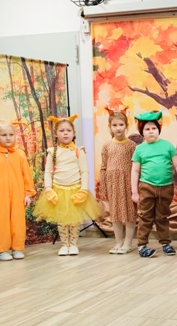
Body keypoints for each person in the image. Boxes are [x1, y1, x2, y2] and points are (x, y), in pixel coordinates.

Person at [34, 115, 99, 255]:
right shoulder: (52, 152)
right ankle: (65, 244)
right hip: (58, 191)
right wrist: (48, 188)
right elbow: (48, 172)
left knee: (74, 220)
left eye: (68, 130)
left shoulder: (79, 151)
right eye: (62, 130)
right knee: (62, 219)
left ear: (74, 133)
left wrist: (83, 189)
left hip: (76, 190)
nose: (65, 133)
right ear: (56, 134)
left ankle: (73, 244)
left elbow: (84, 171)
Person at [131, 110, 177, 258]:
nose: (151, 131)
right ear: (142, 132)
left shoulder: (167, 146)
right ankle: (142, 245)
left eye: (154, 128)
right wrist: (134, 192)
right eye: (147, 129)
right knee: (145, 216)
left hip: (166, 187)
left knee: (162, 216)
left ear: (159, 130)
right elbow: (135, 171)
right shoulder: (139, 149)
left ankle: (165, 243)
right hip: (146, 187)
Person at [99, 106, 137, 254]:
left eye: (121, 125)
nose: (118, 128)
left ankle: (128, 242)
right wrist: (104, 187)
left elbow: (136, 167)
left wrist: (136, 186)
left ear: (126, 126)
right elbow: (103, 167)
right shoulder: (107, 145)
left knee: (129, 213)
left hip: (127, 183)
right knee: (115, 214)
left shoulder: (131, 145)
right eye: (114, 125)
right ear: (110, 126)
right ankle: (118, 242)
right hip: (113, 184)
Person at [0, 120, 35, 261]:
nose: (8, 138)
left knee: (18, 221)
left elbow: (26, 175)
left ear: (15, 135)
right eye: (3, 135)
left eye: (11, 134)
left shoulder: (19, 155)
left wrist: (28, 193)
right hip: (1, 195)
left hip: (17, 195)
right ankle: (2, 250)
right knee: (2, 221)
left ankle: (17, 248)